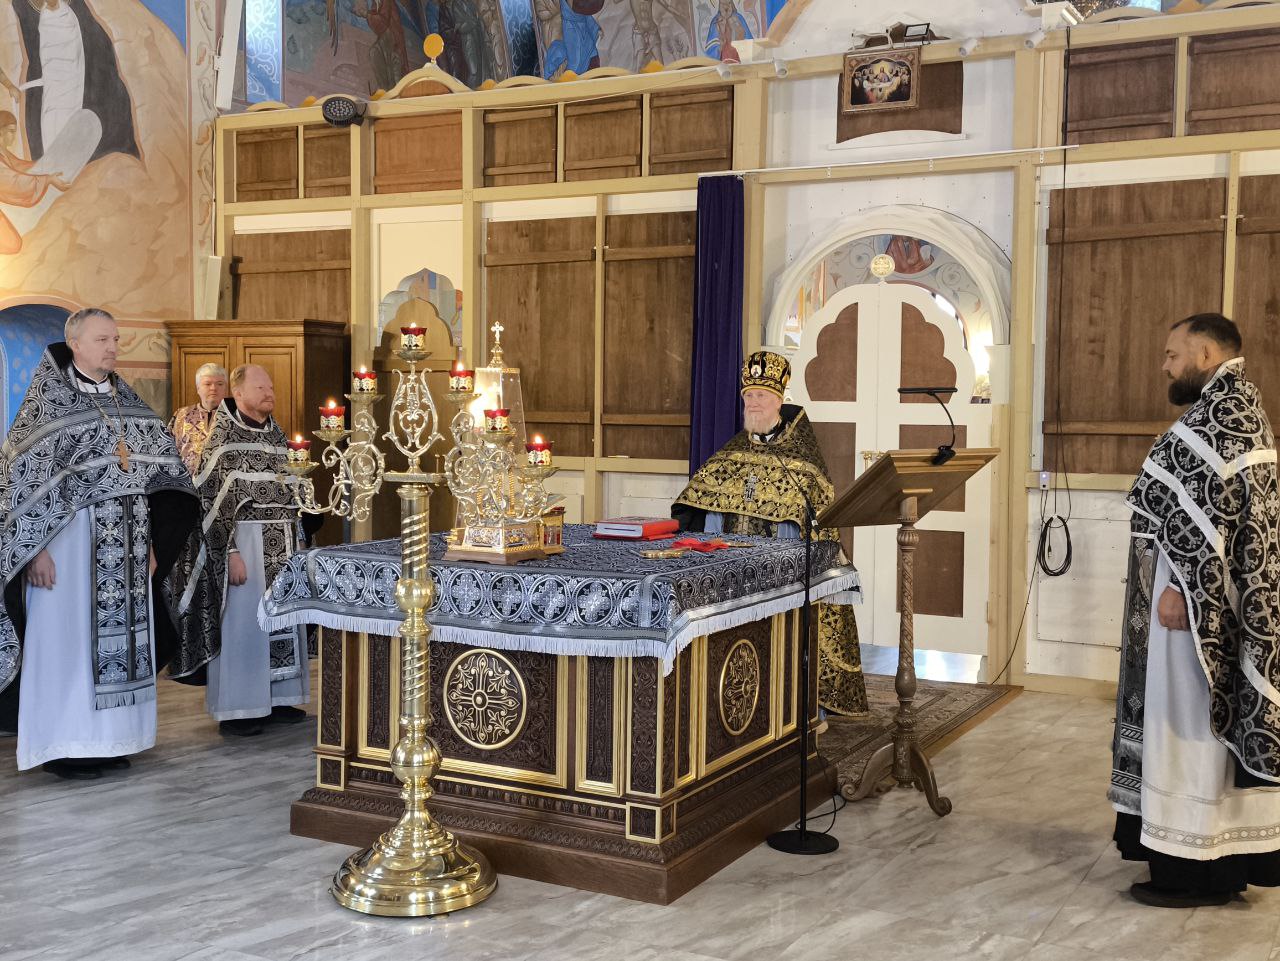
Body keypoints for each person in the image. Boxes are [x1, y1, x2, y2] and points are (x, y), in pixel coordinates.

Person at [0, 308, 218, 779]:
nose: (113, 347)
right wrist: (34, 550)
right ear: (75, 344)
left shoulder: (128, 403)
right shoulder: (48, 405)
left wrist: (155, 544)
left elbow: (165, 477)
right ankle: (65, 746)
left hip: (127, 548)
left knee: (124, 643)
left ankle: (112, 740)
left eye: (116, 339)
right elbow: (21, 481)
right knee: (67, 643)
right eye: (102, 339)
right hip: (67, 549)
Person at [1112, 313, 1280, 907]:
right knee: (1201, 723)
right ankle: (1213, 863)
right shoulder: (1238, 408)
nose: (1166, 366)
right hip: (1217, 598)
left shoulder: (1219, 417)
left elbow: (1205, 518)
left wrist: (1181, 591)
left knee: (1187, 722)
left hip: (1197, 607)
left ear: (1205, 354)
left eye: (1173, 354)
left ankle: (1190, 869)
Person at [672, 350, 868, 717]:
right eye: (748, 396)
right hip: (730, 574)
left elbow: (815, 521)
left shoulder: (801, 460)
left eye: (761, 395)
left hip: (784, 578)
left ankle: (796, 707)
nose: (753, 403)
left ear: (779, 400)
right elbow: (704, 510)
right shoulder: (730, 454)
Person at [188, 364, 319, 737]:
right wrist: (229, 552)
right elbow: (208, 500)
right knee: (244, 625)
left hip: (284, 542)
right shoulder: (223, 439)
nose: (269, 392)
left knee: (282, 621)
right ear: (239, 392)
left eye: (271, 386)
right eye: (261, 387)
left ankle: (278, 700)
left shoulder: (278, 437)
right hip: (244, 544)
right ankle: (239, 709)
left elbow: (296, 492)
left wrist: (301, 537)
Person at [168, 363, 228, 475]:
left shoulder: (236, 417)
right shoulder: (181, 415)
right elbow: (167, 451)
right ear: (198, 388)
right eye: (207, 384)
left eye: (219, 384)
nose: (213, 388)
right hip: (187, 481)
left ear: (225, 388)